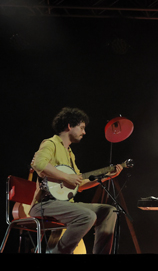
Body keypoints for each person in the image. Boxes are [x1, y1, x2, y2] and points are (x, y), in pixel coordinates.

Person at [29, 107, 123, 254]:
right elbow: (39, 164)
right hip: (45, 204)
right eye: (82, 127)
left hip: (66, 204)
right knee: (87, 216)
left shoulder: (70, 154)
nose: (84, 132)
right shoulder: (50, 143)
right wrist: (67, 177)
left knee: (109, 211)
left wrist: (107, 176)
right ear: (69, 126)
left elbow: (80, 184)